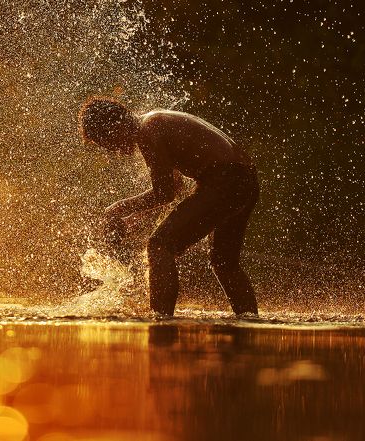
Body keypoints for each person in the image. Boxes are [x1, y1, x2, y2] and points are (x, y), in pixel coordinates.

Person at [79, 98, 259, 316]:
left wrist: (118, 208)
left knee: (159, 245)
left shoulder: (148, 130)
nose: (112, 150)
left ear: (114, 126)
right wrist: (135, 218)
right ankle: (250, 320)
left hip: (225, 181)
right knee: (224, 263)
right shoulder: (154, 122)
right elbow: (176, 187)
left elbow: (164, 193)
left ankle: (160, 319)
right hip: (246, 179)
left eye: (106, 142)